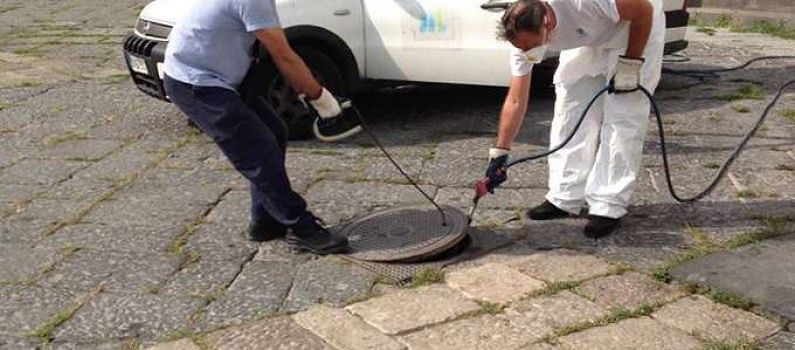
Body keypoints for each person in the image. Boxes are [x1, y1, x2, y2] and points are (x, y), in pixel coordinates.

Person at [162, 0, 360, 254]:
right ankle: (302, 227)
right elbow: (284, 56)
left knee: (275, 132)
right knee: (258, 151)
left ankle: (264, 222)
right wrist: (321, 99)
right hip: (196, 83)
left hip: (217, 75)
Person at [484, 0, 665, 238]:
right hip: (589, 33)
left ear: (547, 24)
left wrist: (630, 65)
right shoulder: (522, 38)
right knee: (570, 106)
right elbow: (516, 99)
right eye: (522, 49)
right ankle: (565, 196)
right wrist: (500, 152)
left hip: (633, 26)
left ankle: (608, 204)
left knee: (623, 115)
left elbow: (643, 10)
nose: (528, 53)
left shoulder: (581, 3)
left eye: (532, 46)